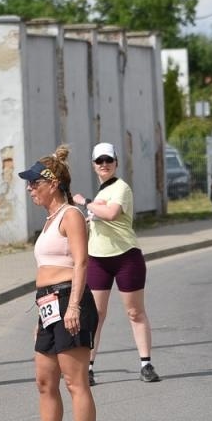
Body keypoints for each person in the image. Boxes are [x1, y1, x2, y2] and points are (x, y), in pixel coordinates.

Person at [12, 147, 99, 421]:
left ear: (53, 183)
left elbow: (81, 262)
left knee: (75, 382)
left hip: (68, 300)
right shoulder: (50, 219)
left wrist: (73, 305)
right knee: (45, 381)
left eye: (34, 183)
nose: (29, 189)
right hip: (48, 304)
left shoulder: (71, 215)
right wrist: (42, 315)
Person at [73, 142, 160, 386]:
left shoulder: (121, 188)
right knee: (95, 315)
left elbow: (111, 214)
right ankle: (88, 368)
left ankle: (146, 364)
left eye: (108, 160)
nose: (104, 164)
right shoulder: (101, 194)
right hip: (98, 259)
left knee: (135, 312)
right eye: (99, 161)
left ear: (116, 163)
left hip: (126, 257)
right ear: (93, 165)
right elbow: (98, 219)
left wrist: (84, 201)